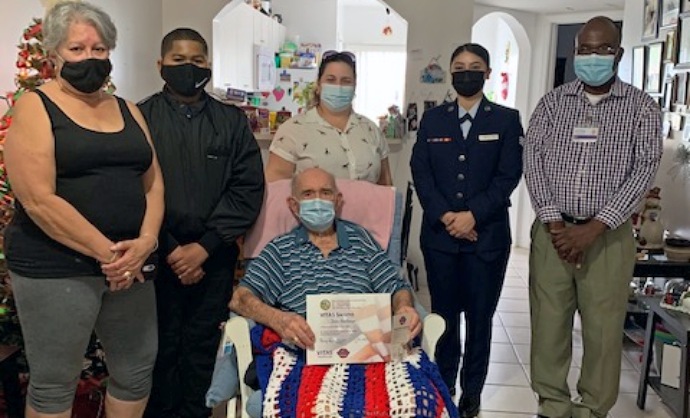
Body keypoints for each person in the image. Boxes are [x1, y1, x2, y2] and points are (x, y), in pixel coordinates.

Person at [2, 1, 164, 417]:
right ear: (54, 54)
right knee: (55, 381)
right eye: (77, 49)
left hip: (131, 263)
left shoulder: (128, 109)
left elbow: (154, 182)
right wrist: (110, 253)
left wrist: (145, 243)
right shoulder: (35, 106)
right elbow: (38, 199)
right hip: (57, 265)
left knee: (136, 368)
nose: (90, 59)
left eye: (99, 50)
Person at [229, 167, 456, 418]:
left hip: (369, 352)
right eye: (308, 194)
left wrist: (404, 308)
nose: (318, 200)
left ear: (338, 201)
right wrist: (280, 320)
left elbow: (396, 286)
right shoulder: (280, 251)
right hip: (307, 354)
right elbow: (241, 298)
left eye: (325, 192)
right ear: (293, 205)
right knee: (314, 407)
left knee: (416, 400)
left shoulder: (361, 241)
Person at [523, 17, 662, 418]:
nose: (592, 57)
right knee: (549, 325)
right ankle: (552, 406)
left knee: (603, 329)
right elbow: (533, 162)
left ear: (617, 54)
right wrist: (554, 223)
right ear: (575, 52)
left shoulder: (641, 107)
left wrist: (595, 227)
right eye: (585, 49)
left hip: (609, 236)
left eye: (602, 50)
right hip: (553, 233)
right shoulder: (553, 103)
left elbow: (644, 169)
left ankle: (592, 409)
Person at [138, 28, 264, 418]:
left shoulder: (231, 121)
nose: (189, 68)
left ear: (208, 65)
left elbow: (247, 187)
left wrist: (205, 247)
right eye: (179, 60)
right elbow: (132, 188)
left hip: (214, 256)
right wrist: (172, 246)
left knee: (200, 347)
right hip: (156, 254)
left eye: (197, 60)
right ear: (160, 65)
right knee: (157, 347)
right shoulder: (139, 118)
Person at [410, 43, 524, 418]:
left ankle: (472, 392)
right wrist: (447, 217)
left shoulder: (506, 120)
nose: (467, 72)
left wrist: (472, 215)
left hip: (487, 239)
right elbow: (422, 174)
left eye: (475, 66)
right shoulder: (433, 119)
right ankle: (444, 383)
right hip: (441, 240)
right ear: (450, 73)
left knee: (479, 319)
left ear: (488, 73)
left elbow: (508, 176)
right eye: (459, 66)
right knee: (443, 317)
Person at [264, 50, 392, 185]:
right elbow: (274, 188)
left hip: (367, 206)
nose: (338, 86)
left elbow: (386, 185)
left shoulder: (371, 130)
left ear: (354, 87)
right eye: (331, 80)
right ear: (318, 85)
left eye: (346, 81)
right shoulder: (292, 130)